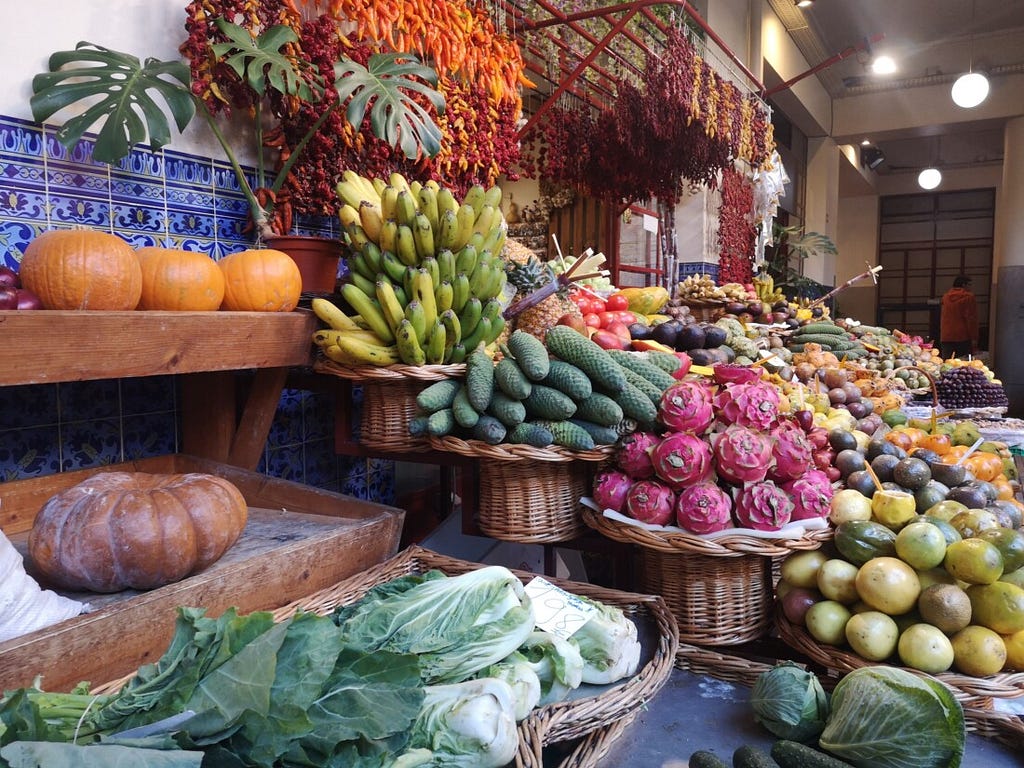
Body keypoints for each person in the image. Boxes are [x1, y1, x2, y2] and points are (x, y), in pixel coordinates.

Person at [940, 275, 978, 359]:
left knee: (947, 363)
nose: (971, 287)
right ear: (964, 285)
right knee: (963, 364)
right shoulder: (969, 297)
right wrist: (974, 337)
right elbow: (971, 318)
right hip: (963, 335)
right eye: (969, 285)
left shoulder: (945, 297)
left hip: (946, 335)